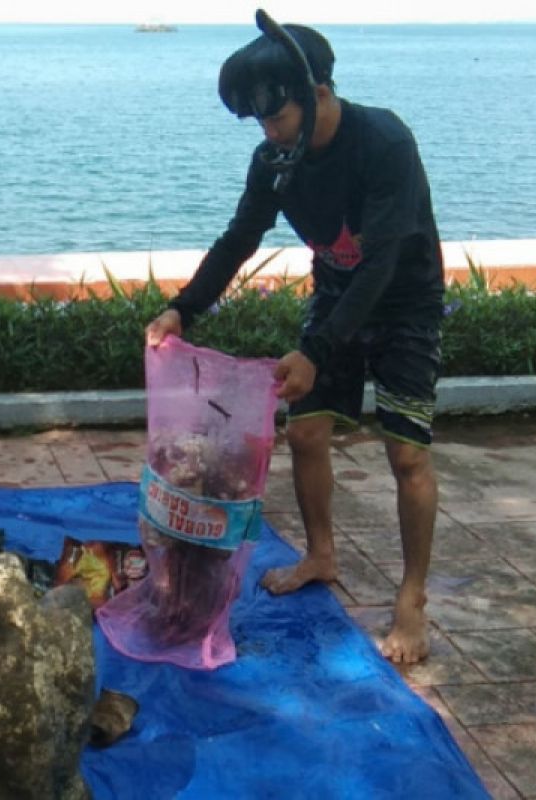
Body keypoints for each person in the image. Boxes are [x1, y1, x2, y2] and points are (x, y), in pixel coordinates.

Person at [145, 11, 444, 664]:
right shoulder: (275, 160)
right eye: (260, 122)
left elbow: (384, 264)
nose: (271, 133)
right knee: (307, 432)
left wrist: (315, 352)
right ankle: (322, 554)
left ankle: (412, 598)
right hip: (338, 296)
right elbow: (239, 238)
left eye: (278, 118)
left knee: (407, 456)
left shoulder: (383, 141)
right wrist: (182, 310)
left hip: (405, 305)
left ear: (320, 98)